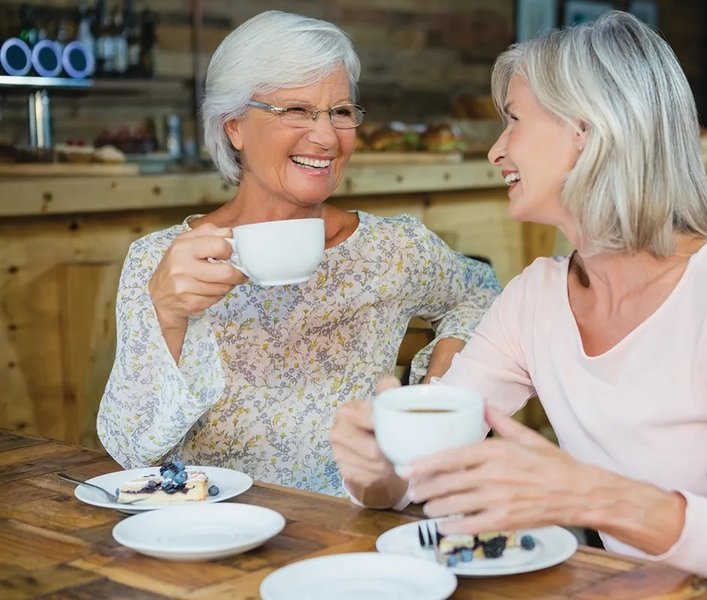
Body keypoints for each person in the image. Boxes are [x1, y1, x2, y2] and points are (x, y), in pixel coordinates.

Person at [330, 12, 707, 598]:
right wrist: (376, 469)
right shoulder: (535, 298)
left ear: (586, 129)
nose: (497, 150)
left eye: (514, 121)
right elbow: (417, 474)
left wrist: (590, 494)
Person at [97, 11, 500, 496]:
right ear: (234, 127)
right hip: (211, 532)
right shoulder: (162, 262)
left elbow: (479, 290)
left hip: (353, 528)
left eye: (341, 112)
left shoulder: (392, 250)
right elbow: (129, 450)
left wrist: (442, 380)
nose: (327, 137)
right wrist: (167, 315)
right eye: (295, 110)